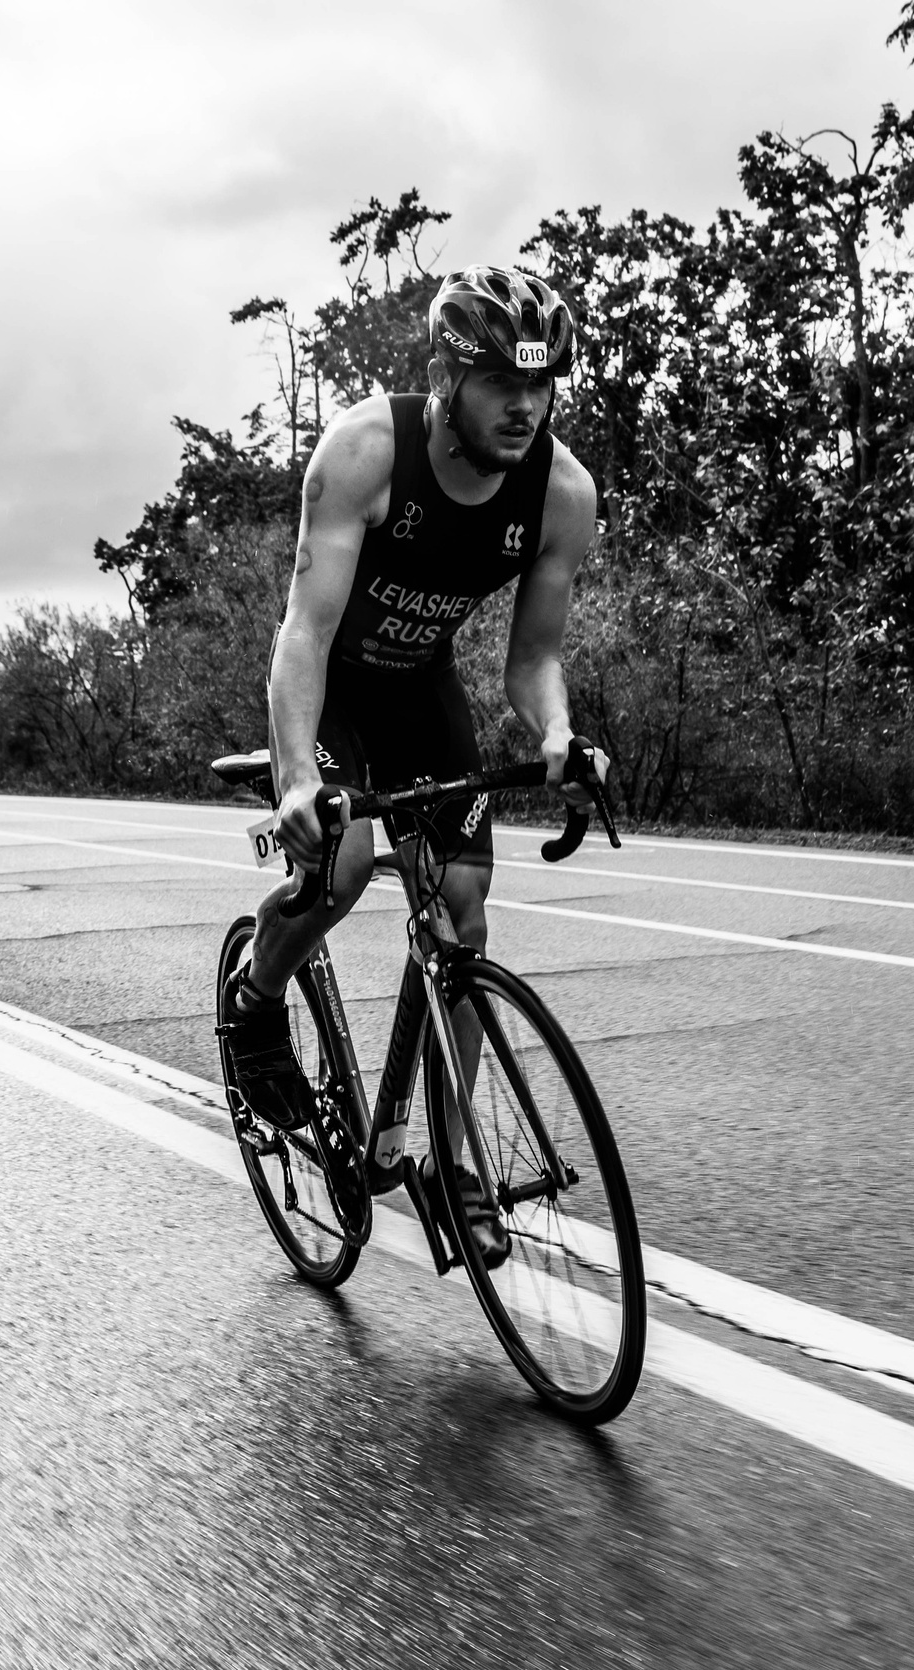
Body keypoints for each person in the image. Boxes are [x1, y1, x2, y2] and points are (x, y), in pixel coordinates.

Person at [218, 264, 605, 1261]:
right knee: (341, 866)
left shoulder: (561, 492)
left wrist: (557, 737)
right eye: (498, 384)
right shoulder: (364, 452)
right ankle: (256, 1003)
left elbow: (532, 661)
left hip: (420, 688)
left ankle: (449, 1158)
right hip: (334, 684)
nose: (524, 406)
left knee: (463, 905)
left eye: (544, 383)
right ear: (446, 376)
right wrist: (299, 777)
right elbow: (302, 633)